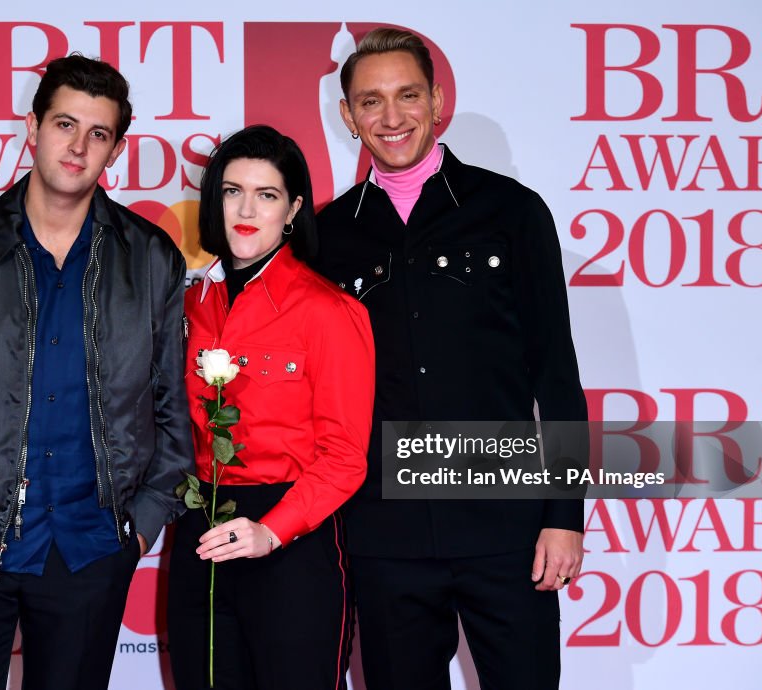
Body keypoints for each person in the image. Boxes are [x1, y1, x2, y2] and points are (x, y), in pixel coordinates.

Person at [0, 54, 193, 690]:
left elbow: (169, 401)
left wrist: (145, 521)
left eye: (97, 134)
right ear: (33, 126)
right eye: (64, 125)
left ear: (115, 149)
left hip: (91, 549)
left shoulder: (150, 257)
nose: (77, 147)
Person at [311, 29, 587, 689]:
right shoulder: (326, 235)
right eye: (370, 102)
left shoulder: (512, 213)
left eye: (407, 95)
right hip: (384, 535)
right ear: (347, 116)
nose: (392, 117)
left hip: (507, 528)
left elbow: (558, 375)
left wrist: (564, 516)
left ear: (437, 101)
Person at [167, 125, 375, 690]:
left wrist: (272, 531)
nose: (246, 209)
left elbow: (345, 457)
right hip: (200, 530)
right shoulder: (189, 303)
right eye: (233, 191)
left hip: (291, 543)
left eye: (267, 195)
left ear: (293, 209)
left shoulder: (329, 311)